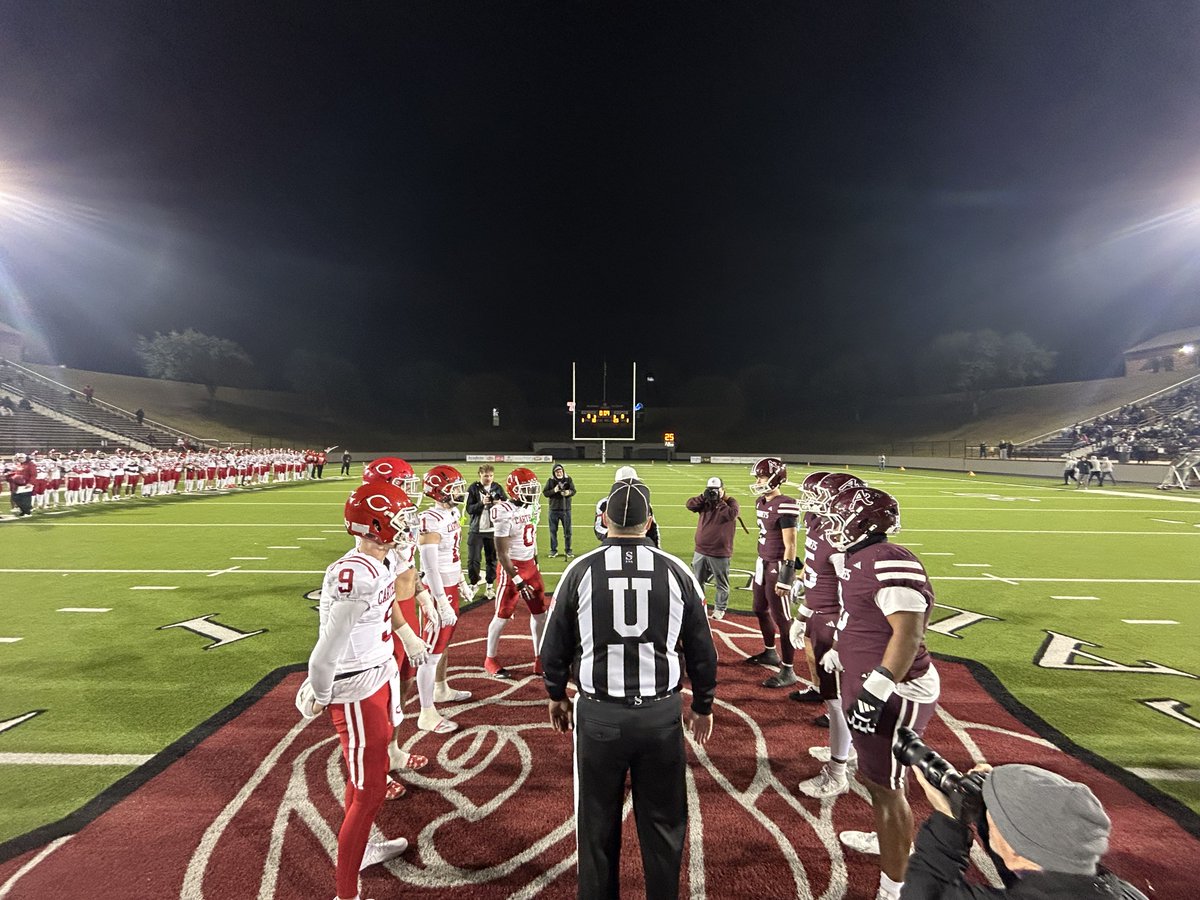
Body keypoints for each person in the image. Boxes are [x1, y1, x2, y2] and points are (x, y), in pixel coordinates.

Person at [540, 477, 718, 900]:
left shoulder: (580, 570)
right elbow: (702, 651)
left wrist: (555, 694)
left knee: (597, 823)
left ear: (603, 519)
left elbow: (554, 646)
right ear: (650, 521)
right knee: (663, 822)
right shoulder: (677, 572)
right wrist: (704, 704)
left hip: (600, 713)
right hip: (660, 715)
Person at [294, 480, 414, 900]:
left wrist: (409, 640)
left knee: (367, 779)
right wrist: (319, 690)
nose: (406, 524)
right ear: (376, 524)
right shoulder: (354, 574)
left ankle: (361, 848)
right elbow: (327, 648)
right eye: (399, 518)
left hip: (376, 677)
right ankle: (346, 894)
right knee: (370, 790)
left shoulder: (377, 563)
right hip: (356, 690)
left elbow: (385, 609)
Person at [821, 486, 940, 900]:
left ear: (863, 522)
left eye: (836, 518)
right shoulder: (861, 558)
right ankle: (891, 842)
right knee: (880, 781)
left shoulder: (888, 559)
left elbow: (908, 633)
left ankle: (895, 888)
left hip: (896, 688)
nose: (829, 525)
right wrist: (842, 646)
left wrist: (877, 689)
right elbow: (864, 617)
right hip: (877, 679)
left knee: (886, 786)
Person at [905, 761, 1147, 899]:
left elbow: (925, 894)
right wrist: (992, 805)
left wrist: (949, 821)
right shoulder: (1125, 893)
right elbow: (1030, 865)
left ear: (1017, 851)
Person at [414, 464, 469, 734]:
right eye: (454, 487)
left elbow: (452, 555)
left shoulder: (452, 511)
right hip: (438, 590)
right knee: (431, 651)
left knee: (444, 644)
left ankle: (441, 688)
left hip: (449, 585)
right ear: (440, 491)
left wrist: (461, 581)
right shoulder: (430, 519)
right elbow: (431, 566)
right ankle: (425, 713)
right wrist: (441, 600)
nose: (460, 492)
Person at [483, 467, 549, 678]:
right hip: (512, 570)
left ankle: (539, 658)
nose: (531, 493)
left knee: (540, 615)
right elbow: (501, 553)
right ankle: (490, 659)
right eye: (526, 489)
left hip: (530, 566)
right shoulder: (503, 511)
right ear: (513, 490)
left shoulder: (531, 507)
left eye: (533, 489)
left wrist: (536, 563)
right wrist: (518, 579)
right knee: (502, 616)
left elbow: (533, 537)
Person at [746, 457, 802, 688]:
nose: (758, 481)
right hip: (763, 562)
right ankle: (770, 652)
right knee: (759, 609)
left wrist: (786, 577)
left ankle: (788, 669)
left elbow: (791, 544)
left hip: (778, 564)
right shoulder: (761, 502)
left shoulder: (785, 504)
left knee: (782, 618)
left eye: (762, 476)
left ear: (775, 478)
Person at [685, 475, 739, 620]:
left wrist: (720, 501)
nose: (713, 492)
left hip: (720, 551)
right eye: (711, 489)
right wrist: (703, 497)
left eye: (716, 489)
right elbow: (689, 505)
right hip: (701, 549)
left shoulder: (730, 502)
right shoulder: (705, 501)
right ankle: (699, 605)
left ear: (722, 489)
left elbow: (731, 515)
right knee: (697, 581)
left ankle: (720, 608)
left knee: (721, 582)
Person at [465, 464, 507, 600]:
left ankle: (489, 586)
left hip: (493, 530)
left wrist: (498, 504)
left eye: (490, 476)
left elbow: (507, 505)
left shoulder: (497, 488)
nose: (488, 478)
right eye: (485, 476)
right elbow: (469, 509)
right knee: (473, 560)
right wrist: (481, 503)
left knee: (492, 560)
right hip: (476, 530)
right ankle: (473, 584)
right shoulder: (473, 488)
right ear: (480, 475)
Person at [594, 465, 661, 546]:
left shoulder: (644, 503)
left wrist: (656, 547)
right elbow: (598, 528)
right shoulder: (603, 503)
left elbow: (653, 529)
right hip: (614, 544)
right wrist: (616, 535)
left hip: (639, 544)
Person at [542, 463, 576, 558]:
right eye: (557, 471)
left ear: (563, 471)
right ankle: (553, 550)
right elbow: (545, 493)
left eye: (560, 471)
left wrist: (568, 492)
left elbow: (574, 490)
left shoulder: (568, 479)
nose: (559, 473)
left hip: (566, 509)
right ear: (554, 472)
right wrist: (554, 490)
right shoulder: (550, 481)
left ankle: (568, 550)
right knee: (553, 531)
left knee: (568, 531)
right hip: (553, 509)